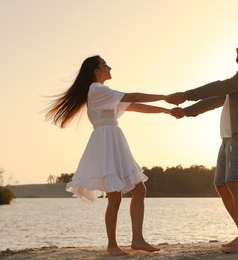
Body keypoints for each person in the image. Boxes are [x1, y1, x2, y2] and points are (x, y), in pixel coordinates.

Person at [45, 55, 173, 256]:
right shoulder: (97, 90)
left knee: (137, 190)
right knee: (116, 196)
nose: (109, 67)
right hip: (106, 140)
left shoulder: (103, 93)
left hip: (112, 138)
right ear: (96, 71)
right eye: (105, 65)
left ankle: (137, 239)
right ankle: (113, 244)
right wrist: (164, 96)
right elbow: (134, 97)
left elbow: (134, 106)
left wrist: (166, 111)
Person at [168, 33, 238, 253]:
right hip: (228, 137)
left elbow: (219, 87)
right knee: (222, 185)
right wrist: (186, 111)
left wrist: (187, 95)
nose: (237, 48)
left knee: (235, 183)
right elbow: (217, 99)